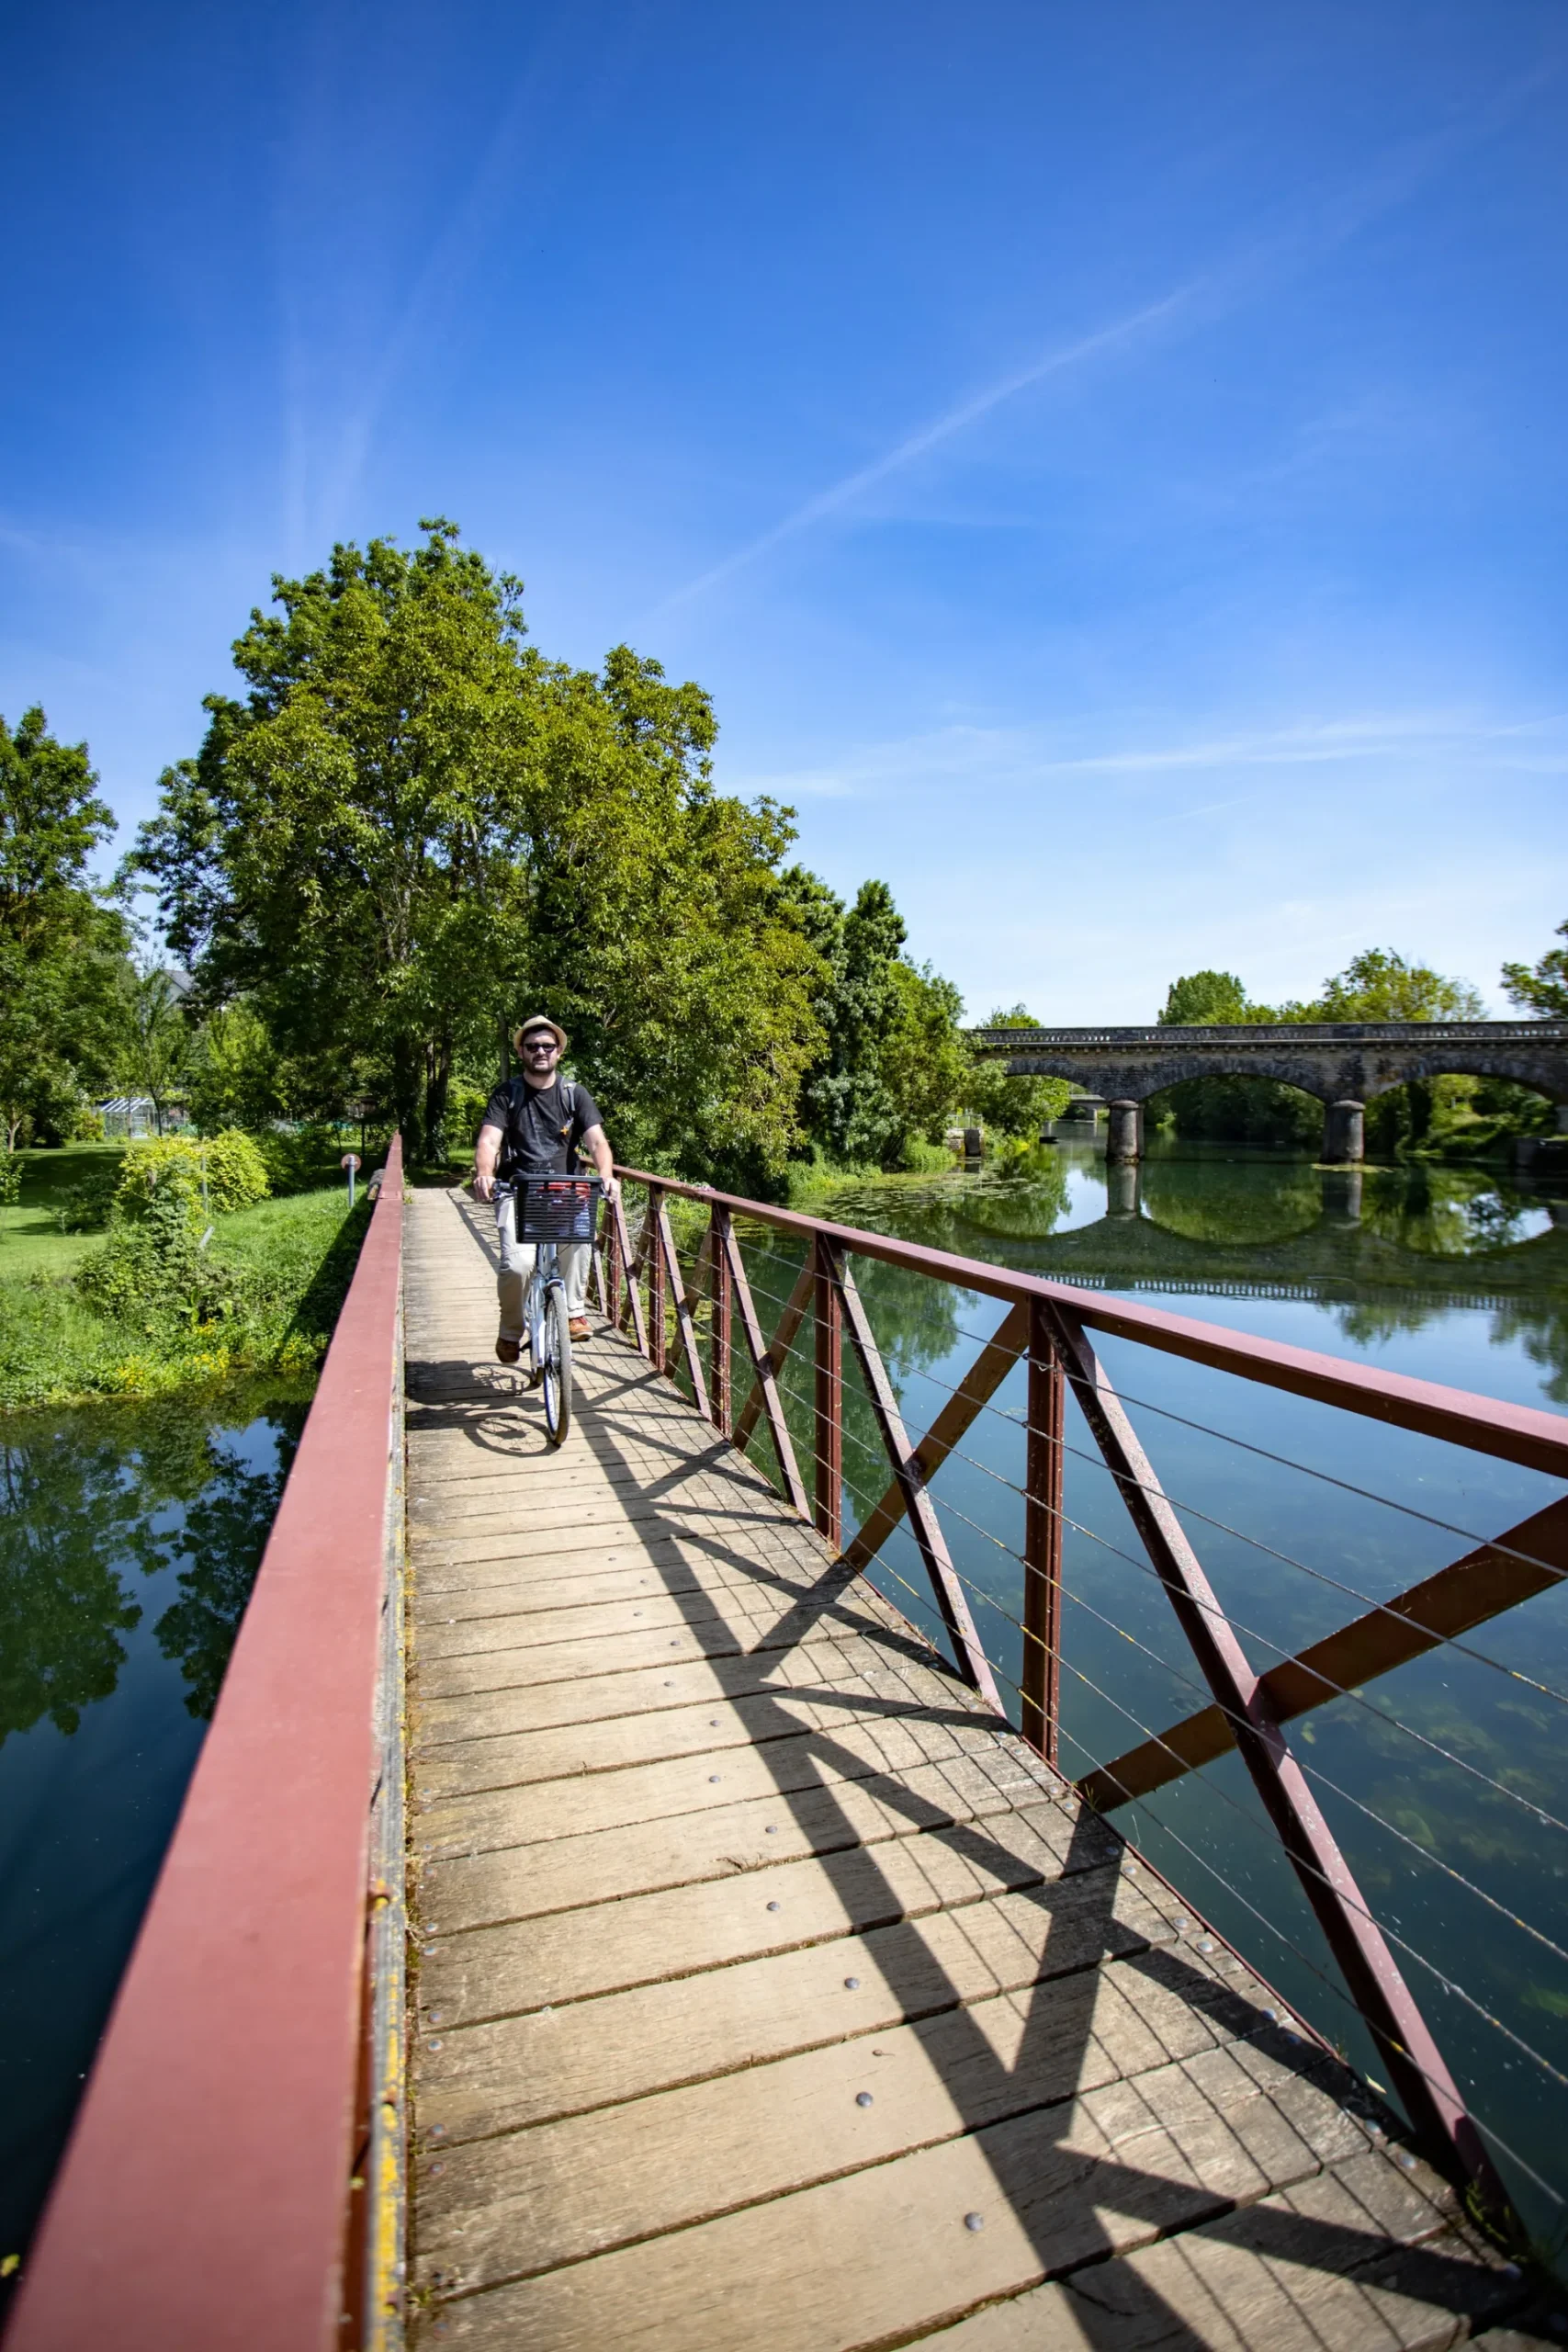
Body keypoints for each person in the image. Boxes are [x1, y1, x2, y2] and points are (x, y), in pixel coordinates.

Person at [472, 1014, 616, 1363]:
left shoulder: (573, 1093)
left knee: (581, 1242)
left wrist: (608, 1173)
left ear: (558, 1052)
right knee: (517, 1266)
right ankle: (510, 1332)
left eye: (547, 1047)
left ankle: (573, 1311)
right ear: (521, 1051)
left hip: (563, 1190)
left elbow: (596, 1142)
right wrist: (484, 1172)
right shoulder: (507, 1094)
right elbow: (489, 1141)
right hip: (516, 1190)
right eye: (533, 1046)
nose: (540, 1052)